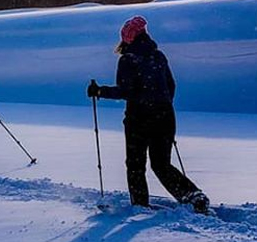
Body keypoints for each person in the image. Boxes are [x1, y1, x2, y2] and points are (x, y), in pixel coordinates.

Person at [87, 15, 210, 214]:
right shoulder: (158, 56)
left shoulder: (128, 60)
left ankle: (140, 205)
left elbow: (126, 91)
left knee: (136, 163)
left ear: (127, 38)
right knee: (161, 163)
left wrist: (100, 91)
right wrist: (161, 104)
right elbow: (171, 86)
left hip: (139, 118)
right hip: (165, 115)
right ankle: (192, 195)